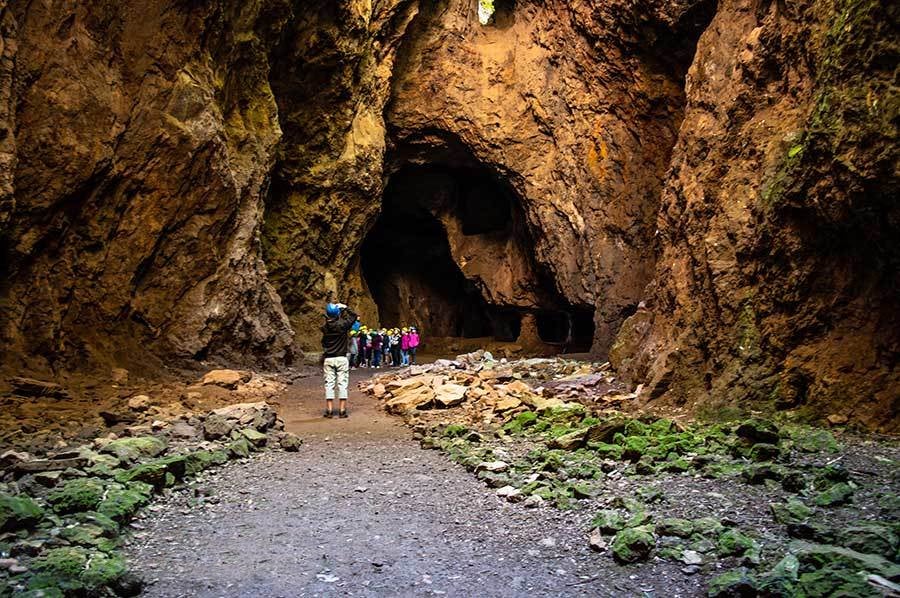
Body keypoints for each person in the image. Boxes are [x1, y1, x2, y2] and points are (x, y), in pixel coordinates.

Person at [321, 302, 357, 418]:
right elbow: (354, 316)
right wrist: (345, 308)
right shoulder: (343, 325)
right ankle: (342, 410)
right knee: (342, 383)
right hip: (341, 358)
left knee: (329, 384)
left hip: (329, 358)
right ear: (337, 314)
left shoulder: (325, 328)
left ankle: (329, 410)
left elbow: (323, 342)